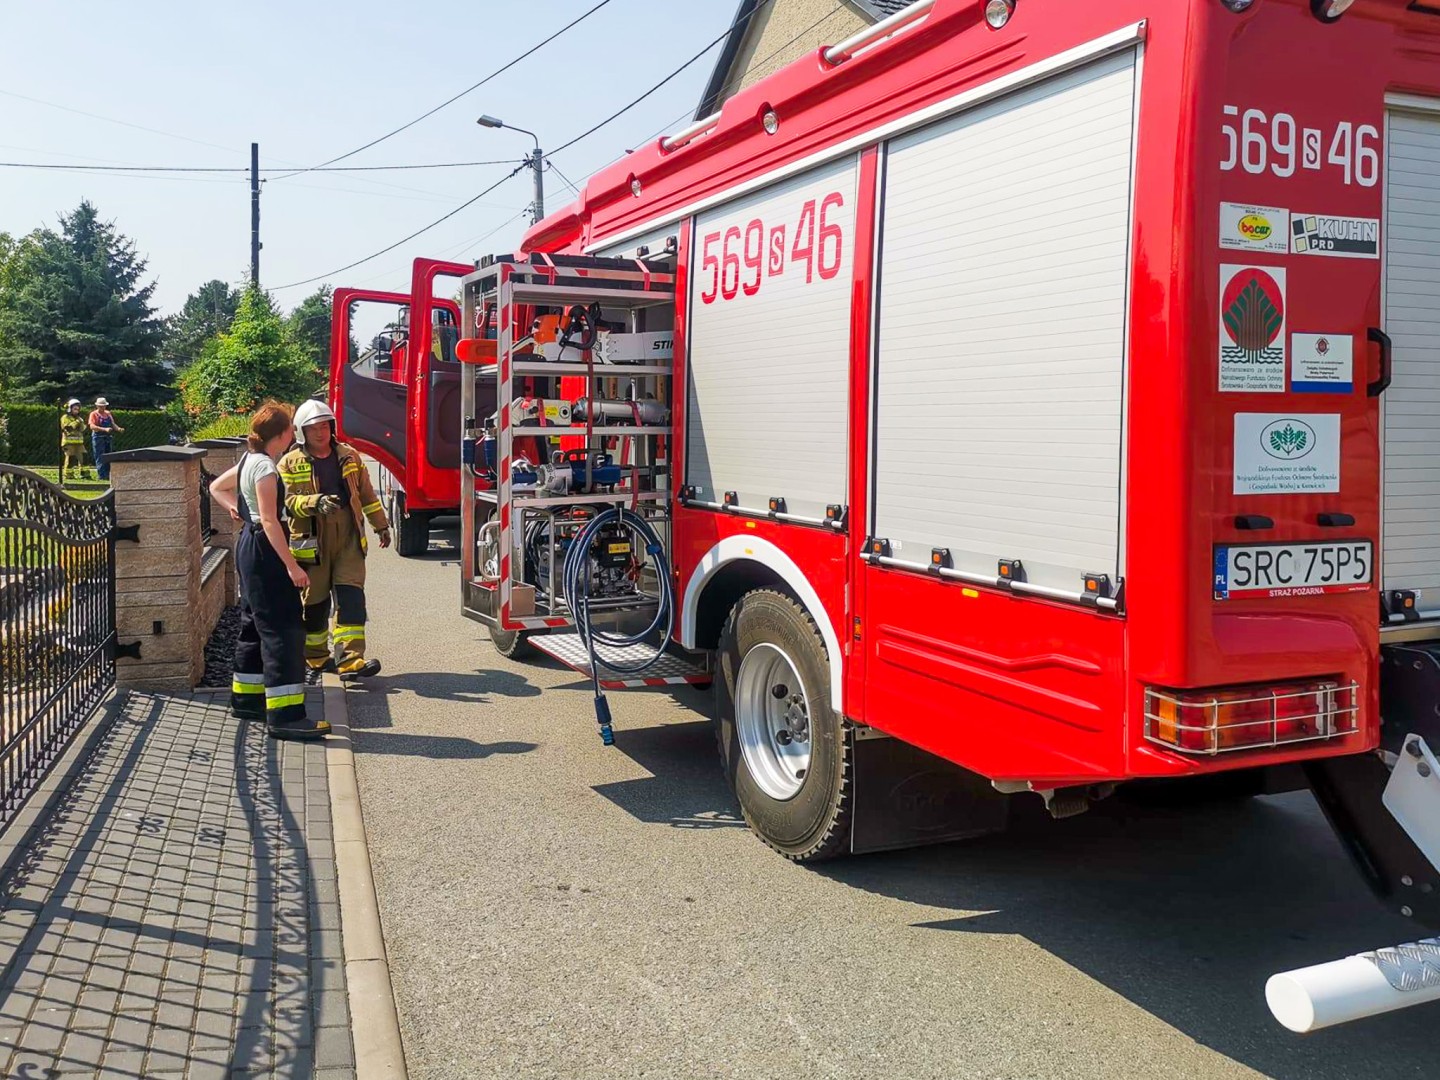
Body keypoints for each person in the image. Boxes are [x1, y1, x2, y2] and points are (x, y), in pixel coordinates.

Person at [209, 402, 330, 741]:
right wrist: (292, 567)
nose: (295, 432)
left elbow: (216, 487)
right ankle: (286, 716)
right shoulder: (265, 469)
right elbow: (269, 520)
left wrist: (235, 508)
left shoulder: (250, 459)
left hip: (248, 546)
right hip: (265, 550)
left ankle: (247, 700)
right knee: (284, 630)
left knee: (253, 624)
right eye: (291, 427)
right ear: (281, 434)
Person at [279, 399, 391, 682]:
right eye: (313, 428)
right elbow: (285, 503)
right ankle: (316, 656)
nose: (320, 433)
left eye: (325, 426)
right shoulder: (289, 463)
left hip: (348, 538)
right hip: (311, 541)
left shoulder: (350, 456)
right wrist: (314, 502)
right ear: (302, 431)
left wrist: (382, 526)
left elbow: (367, 494)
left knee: (352, 598)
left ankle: (351, 660)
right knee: (315, 604)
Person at [88, 397, 124, 482]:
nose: (102, 407)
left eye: (103, 406)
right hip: (98, 438)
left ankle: (108, 475)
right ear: (97, 406)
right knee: (100, 456)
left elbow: (112, 423)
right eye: (100, 406)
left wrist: (118, 429)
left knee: (108, 456)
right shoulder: (94, 414)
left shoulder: (108, 413)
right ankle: (101, 475)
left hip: (107, 438)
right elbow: (92, 426)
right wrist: (104, 429)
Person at [59, 399, 89, 486]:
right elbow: (68, 428)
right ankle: (69, 475)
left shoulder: (79, 419)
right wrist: (77, 422)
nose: (77, 411)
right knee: (70, 459)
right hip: (68, 443)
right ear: (69, 409)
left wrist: (82, 424)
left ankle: (85, 474)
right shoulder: (65, 418)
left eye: (78, 409)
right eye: (75, 409)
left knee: (84, 457)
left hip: (79, 443)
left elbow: (82, 429)